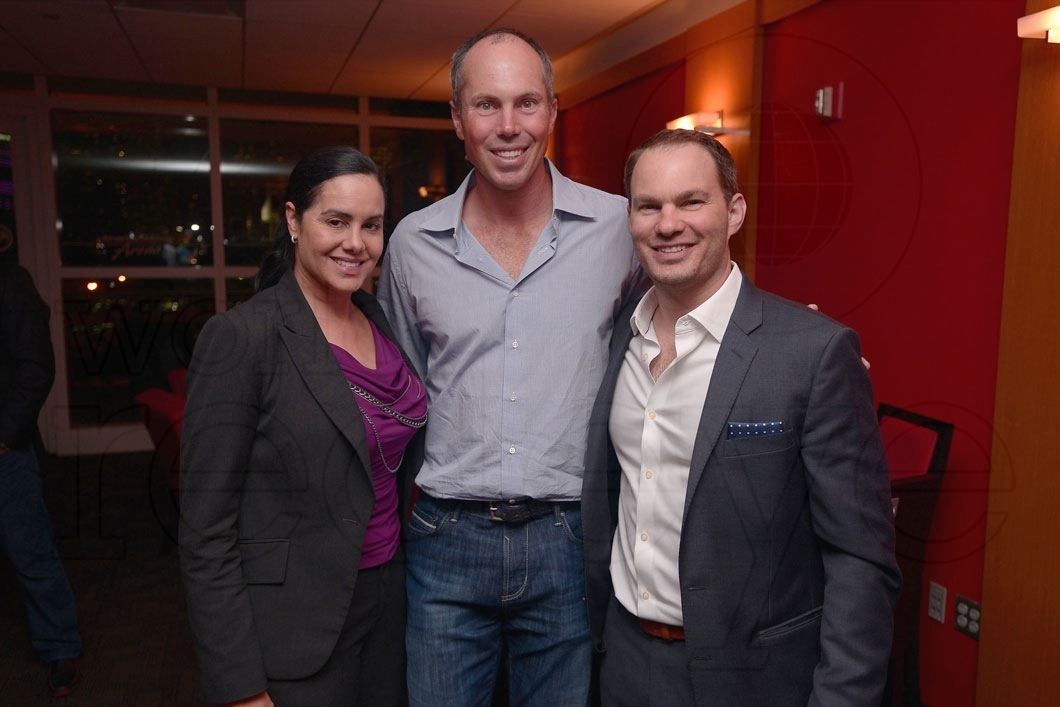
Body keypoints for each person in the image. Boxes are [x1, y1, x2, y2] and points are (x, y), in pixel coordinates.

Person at [581, 128, 901, 706]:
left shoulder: (810, 353)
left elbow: (859, 559)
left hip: (755, 678)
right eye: (648, 206)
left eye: (691, 201)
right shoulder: (615, 338)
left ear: (734, 211)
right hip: (624, 660)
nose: (667, 224)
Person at [377, 28, 642, 707]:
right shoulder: (412, 242)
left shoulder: (619, 227)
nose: (508, 126)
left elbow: (663, 336)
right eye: (487, 105)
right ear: (458, 119)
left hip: (569, 535)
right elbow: (398, 389)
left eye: (527, 103)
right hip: (444, 538)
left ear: (554, 111)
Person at [179, 146, 426, 707]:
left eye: (371, 225)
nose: (355, 243)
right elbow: (204, 531)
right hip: (297, 620)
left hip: (389, 601)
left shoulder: (376, 317)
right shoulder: (243, 338)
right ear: (293, 221)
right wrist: (239, 686)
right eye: (335, 221)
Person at [0, 262, 84, 698]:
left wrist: (4, 437)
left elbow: (35, 366)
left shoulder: (8, 279)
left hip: (5, 452)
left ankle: (59, 648)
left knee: (29, 551)